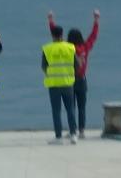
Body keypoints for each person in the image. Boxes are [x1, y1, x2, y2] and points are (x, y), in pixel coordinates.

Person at [49, 9, 99, 137]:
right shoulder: (86, 47)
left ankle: (73, 130)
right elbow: (93, 36)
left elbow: (56, 37)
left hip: (70, 80)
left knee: (71, 108)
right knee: (82, 106)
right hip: (82, 79)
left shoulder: (68, 48)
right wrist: (96, 21)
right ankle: (82, 130)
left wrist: (51, 21)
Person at [42, 24, 79, 144]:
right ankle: (73, 134)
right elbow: (77, 65)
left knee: (56, 111)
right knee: (70, 109)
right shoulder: (70, 47)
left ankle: (58, 137)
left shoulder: (47, 49)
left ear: (52, 35)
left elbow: (44, 66)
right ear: (62, 35)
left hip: (53, 84)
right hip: (68, 83)